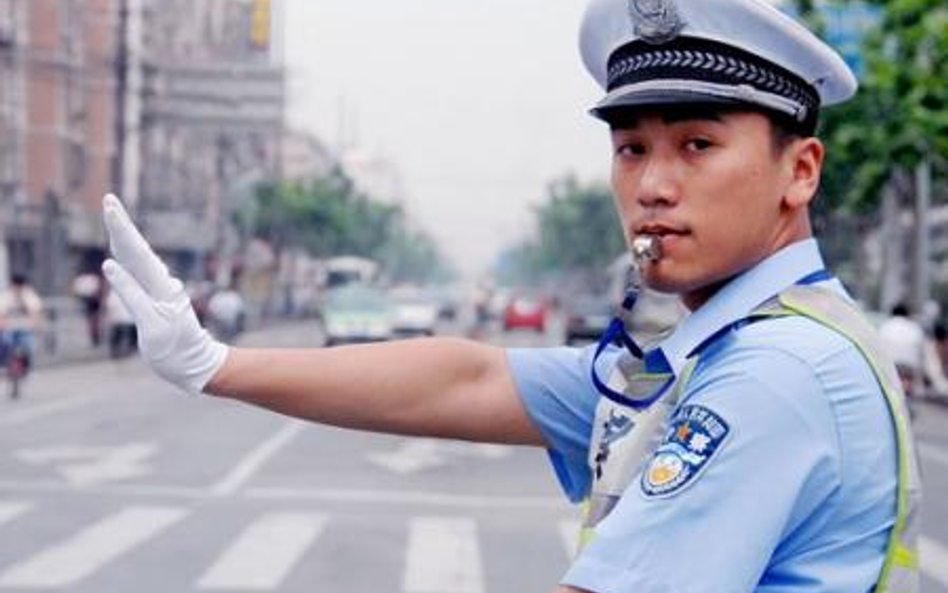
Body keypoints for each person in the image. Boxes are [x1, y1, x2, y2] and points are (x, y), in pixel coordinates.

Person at [101, 0, 921, 591]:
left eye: (697, 144)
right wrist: (212, 363)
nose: (653, 185)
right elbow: (473, 380)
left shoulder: (777, 371)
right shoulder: (718, 349)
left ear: (799, 170)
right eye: (631, 149)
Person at [878, 302, 926, 398]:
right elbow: (921, 353)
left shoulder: (885, 327)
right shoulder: (915, 328)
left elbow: (878, 349)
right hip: (909, 365)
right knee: (906, 385)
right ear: (907, 314)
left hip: (891, 364)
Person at [0, 273, 45, 369]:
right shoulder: (6, 296)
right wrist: (2, 325)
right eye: (15, 285)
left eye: (19, 285)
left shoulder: (30, 296)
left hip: (26, 327)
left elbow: (35, 312)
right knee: (5, 343)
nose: (17, 288)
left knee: (28, 346)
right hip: (9, 327)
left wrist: (37, 325)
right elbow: (2, 314)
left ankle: (28, 367)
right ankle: (4, 364)